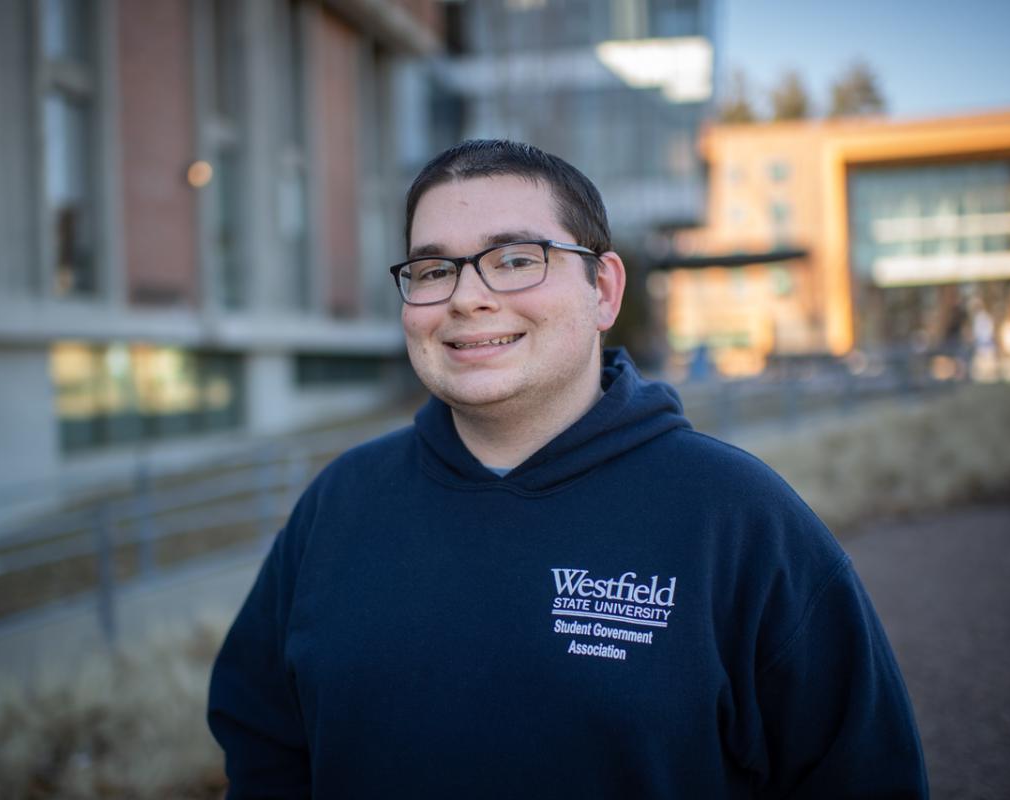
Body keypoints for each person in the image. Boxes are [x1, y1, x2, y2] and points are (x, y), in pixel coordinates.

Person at [208, 140, 928, 798]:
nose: (466, 296)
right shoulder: (340, 504)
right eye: (432, 269)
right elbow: (263, 740)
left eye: (516, 258)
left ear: (604, 291)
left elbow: (863, 776)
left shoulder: (738, 517)